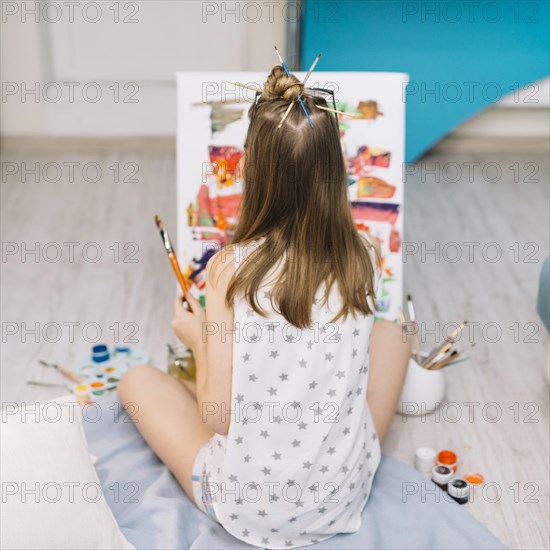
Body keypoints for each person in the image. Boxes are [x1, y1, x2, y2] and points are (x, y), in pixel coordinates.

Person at [118, 65, 411, 549]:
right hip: (341, 499)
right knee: (394, 336)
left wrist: (199, 338)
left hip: (246, 508)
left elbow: (216, 415)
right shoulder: (366, 255)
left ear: (251, 171)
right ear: (336, 170)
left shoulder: (229, 268)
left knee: (137, 380)